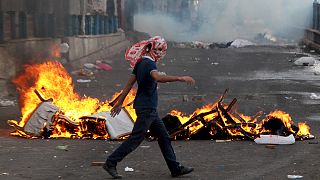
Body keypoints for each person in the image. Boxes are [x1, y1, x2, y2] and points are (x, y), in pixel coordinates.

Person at [103, 36, 195, 179]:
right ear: (153, 49)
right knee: (135, 139)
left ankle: (175, 168)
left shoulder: (140, 62)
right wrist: (180, 78)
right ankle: (110, 162)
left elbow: (129, 85)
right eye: (159, 50)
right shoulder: (149, 64)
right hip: (147, 109)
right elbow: (158, 78)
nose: (160, 53)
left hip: (148, 108)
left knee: (164, 137)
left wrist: (119, 102)